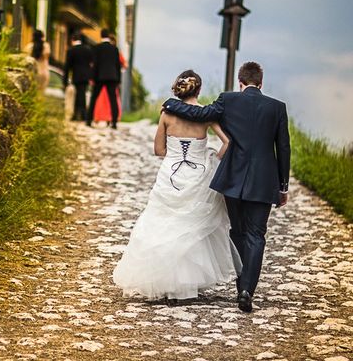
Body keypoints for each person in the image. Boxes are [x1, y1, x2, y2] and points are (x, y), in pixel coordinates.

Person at [162, 62, 291, 313]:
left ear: (240, 83)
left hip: (233, 179)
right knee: (257, 235)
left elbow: (199, 114)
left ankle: (241, 283)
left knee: (237, 231)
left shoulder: (228, 100)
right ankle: (246, 290)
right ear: (260, 83)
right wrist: (282, 186)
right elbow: (283, 149)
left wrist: (170, 103)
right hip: (264, 182)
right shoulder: (277, 108)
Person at [113, 70, 240, 303]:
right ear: (198, 89)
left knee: (163, 222)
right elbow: (229, 143)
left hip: (170, 174)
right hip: (198, 175)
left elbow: (158, 150)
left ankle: (163, 279)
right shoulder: (206, 116)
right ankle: (187, 284)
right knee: (191, 225)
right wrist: (212, 157)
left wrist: (174, 155)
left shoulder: (167, 115)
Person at [86, 29, 121, 129]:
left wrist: (92, 77)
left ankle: (88, 120)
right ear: (109, 36)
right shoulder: (114, 49)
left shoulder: (97, 48)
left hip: (99, 77)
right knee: (113, 99)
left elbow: (95, 65)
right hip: (112, 77)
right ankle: (114, 122)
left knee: (94, 98)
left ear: (101, 36)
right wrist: (118, 79)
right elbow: (117, 65)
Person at [92, 34, 127, 124]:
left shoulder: (100, 49)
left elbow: (95, 64)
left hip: (101, 77)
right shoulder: (115, 51)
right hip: (112, 78)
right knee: (111, 100)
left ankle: (100, 117)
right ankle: (110, 119)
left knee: (101, 100)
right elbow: (123, 65)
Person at [63, 32, 93, 121]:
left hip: (76, 75)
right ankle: (83, 114)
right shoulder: (88, 50)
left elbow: (67, 66)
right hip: (86, 76)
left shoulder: (71, 50)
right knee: (82, 94)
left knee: (77, 95)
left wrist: (65, 79)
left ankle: (76, 114)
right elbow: (91, 63)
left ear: (72, 40)